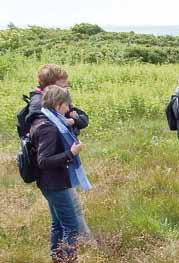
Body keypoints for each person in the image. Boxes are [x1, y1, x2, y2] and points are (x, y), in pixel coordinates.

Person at [27, 86, 89, 262]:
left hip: (50, 182)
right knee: (71, 225)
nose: (69, 109)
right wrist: (71, 153)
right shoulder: (48, 127)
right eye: (66, 105)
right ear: (58, 104)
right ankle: (68, 259)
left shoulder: (45, 119)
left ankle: (57, 257)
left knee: (58, 224)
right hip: (54, 183)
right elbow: (44, 161)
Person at [26, 64, 89, 137]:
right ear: (50, 86)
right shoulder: (39, 103)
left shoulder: (58, 98)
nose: (66, 88)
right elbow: (48, 128)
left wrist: (74, 120)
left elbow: (84, 119)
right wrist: (68, 123)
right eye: (63, 86)